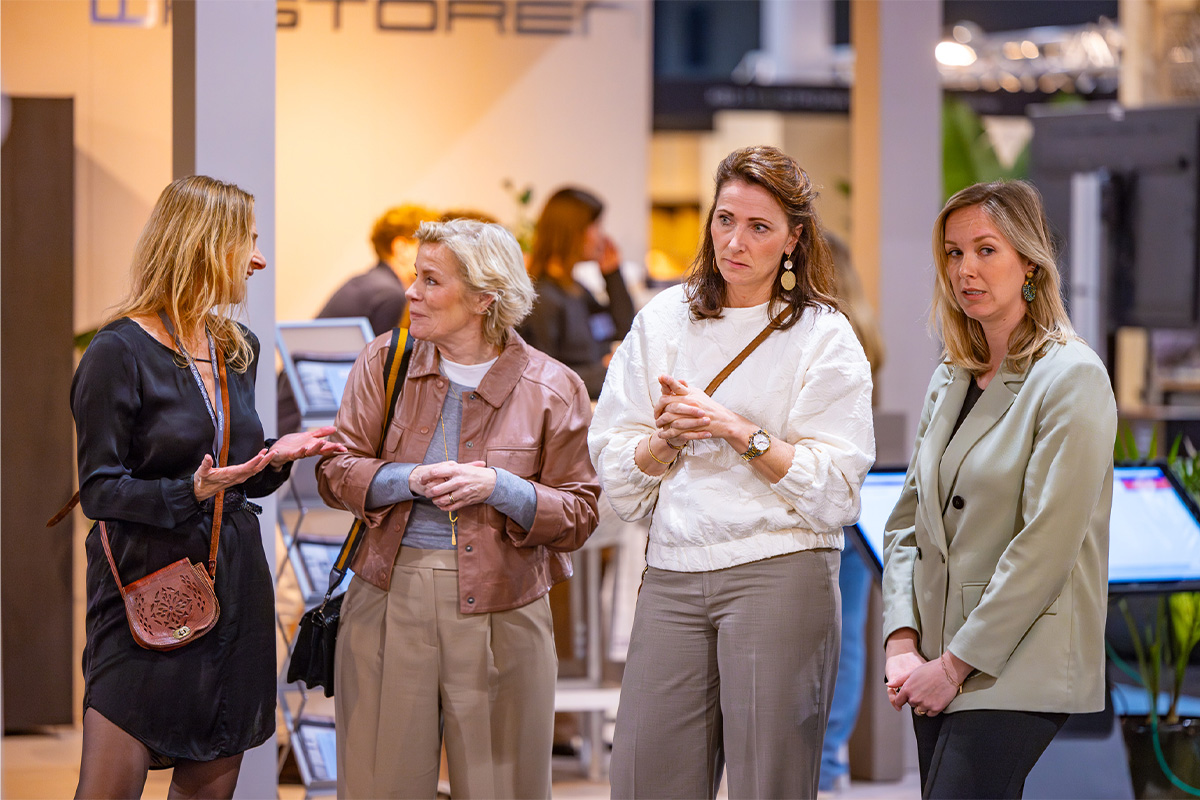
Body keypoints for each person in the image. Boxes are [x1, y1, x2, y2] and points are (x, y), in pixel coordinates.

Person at [589, 145, 875, 799]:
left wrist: (736, 430)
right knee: (642, 776)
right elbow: (613, 461)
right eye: (724, 220)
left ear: (795, 240)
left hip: (780, 569)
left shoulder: (823, 336)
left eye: (758, 227)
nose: (734, 241)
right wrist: (664, 443)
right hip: (673, 570)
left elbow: (836, 492)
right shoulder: (663, 318)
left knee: (768, 781)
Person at [70, 175, 345, 799]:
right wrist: (189, 493)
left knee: (211, 783)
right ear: (203, 244)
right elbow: (99, 491)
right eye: (247, 240)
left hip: (234, 587)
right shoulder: (118, 352)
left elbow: (237, 469)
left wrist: (276, 456)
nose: (258, 258)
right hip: (147, 588)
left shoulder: (235, 348)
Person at [316, 218, 600, 799]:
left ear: (483, 297)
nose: (411, 293)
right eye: (415, 278)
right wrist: (406, 479)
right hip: (387, 596)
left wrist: (500, 486)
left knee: (505, 787)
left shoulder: (554, 387)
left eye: (430, 281)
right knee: (379, 784)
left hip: (507, 605)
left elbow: (578, 515)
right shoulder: (385, 362)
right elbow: (333, 470)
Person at [882, 180, 1117, 799]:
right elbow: (908, 523)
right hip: (934, 655)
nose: (966, 270)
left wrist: (954, 666)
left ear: (1030, 264)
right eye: (954, 254)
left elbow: (1046, 546)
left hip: (1013, 656)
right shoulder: (952, 375)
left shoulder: (1071, 377)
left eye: (986, 250)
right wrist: (902, 642)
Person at [277, 203, 439, 434]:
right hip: (318, 421)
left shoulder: (366, 281)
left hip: (291, 411)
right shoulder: (391, 295)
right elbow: (386, 375)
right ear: (401, 247)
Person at [819, 234, 886, 794]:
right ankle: (831, 761)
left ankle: (819, 763)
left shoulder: (823, 334)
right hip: (856, 501)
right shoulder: (864, 332)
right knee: (851, 636)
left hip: (819, 498)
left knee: (826, 639)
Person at [520, 186, 635, 399]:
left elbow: (622, 329)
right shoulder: (542, 298)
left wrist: (612, 276)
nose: (602, 236)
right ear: (573, 231)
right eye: (596, 226)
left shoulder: (576, 289)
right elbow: (543, 379)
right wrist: (607, 370)